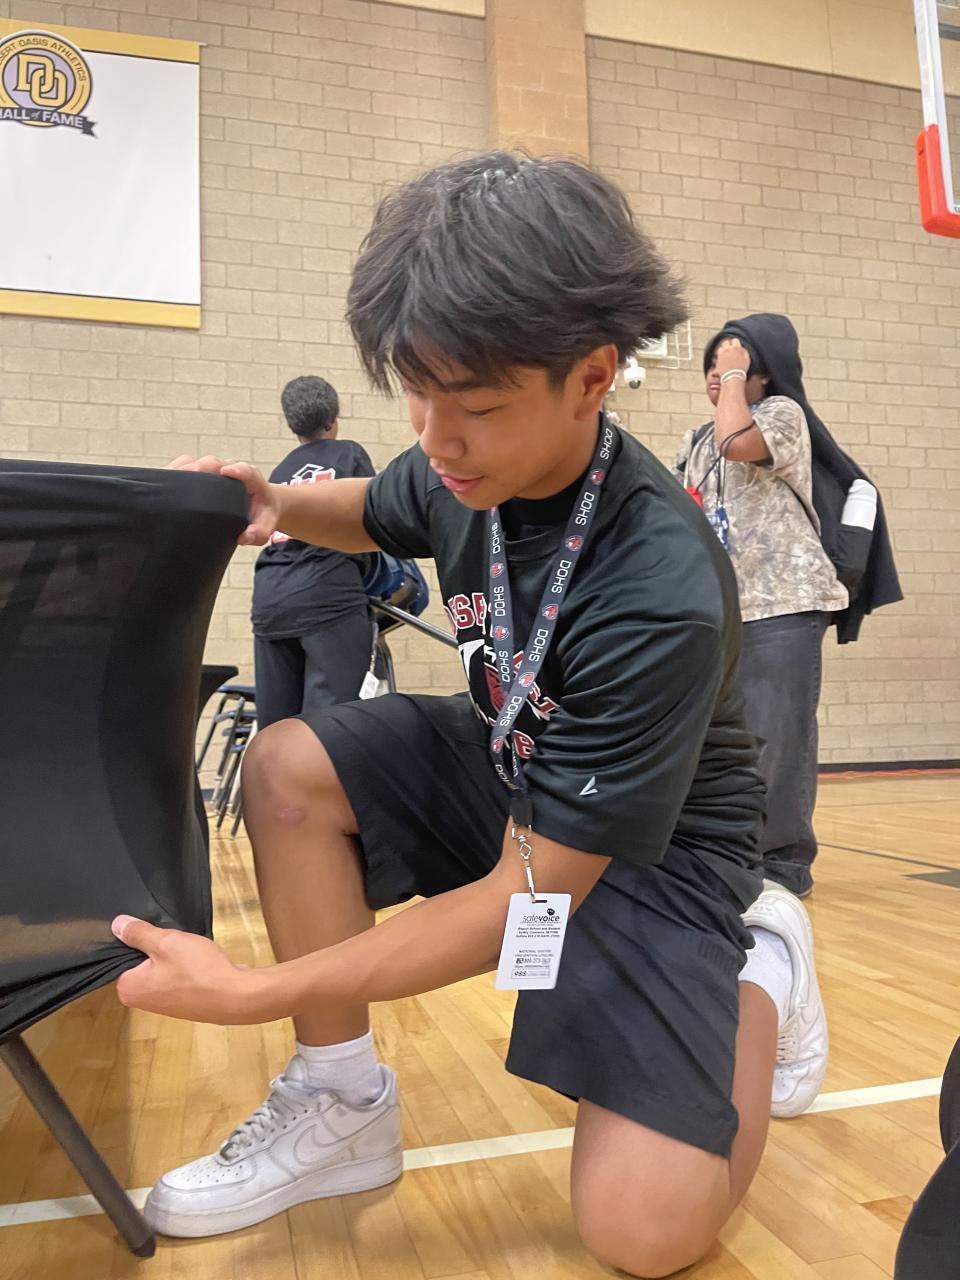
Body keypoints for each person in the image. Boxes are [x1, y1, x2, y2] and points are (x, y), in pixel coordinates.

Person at [111, 154, 828, 1278]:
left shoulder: (657, 585)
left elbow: (516, 898)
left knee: (642, 1234)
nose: (438, 438)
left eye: (477, 407)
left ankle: (766, 958)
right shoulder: (462, 465)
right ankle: (340, 1100)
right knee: (289, 764)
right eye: (418, 394)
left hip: (665, 850)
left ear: (592, 377)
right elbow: (375, 506)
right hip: (520, 764)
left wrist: (249, 992)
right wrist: (274, 502)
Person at [675, 314, 898, 898]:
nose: (716, 375)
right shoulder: (696, 441)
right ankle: (727, 854)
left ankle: (783, 864)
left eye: (731, 365)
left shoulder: (781, 415)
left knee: (777, 736)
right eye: (711, 365)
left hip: (785, 604)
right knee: (724, 741)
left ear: (765, 373)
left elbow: (737, 442)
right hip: (721, 612)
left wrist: (734, 381)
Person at [251, 376, 376, 728]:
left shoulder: (280, 472)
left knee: (277, 729)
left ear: (293, 426)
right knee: (330, 728)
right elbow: (373, 522)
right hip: (328, 596)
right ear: (334, 418)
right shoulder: (349, 453)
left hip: (270, 600)